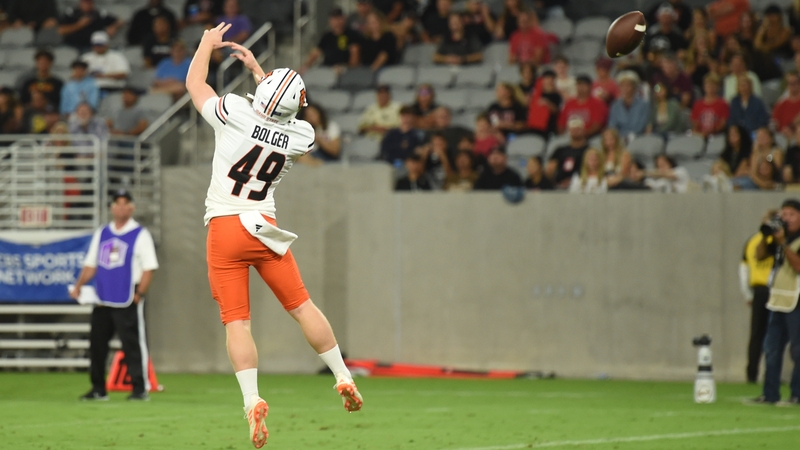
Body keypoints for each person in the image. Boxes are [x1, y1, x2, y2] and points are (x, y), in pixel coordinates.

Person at [186, 28, 363, 448]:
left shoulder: (234, 110)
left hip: (225, 227)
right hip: (264, 228)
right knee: (302, 306)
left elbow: (195, 84)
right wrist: (260, 72)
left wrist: (207, 43)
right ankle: (342, 374)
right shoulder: (302, 136)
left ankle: (252, 399)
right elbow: (279, 114)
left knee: (237, 322)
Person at [70, 189, 159, 401]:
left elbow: (149, 267)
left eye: (125, 203)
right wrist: (79, 285)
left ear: (132, 208)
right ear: (112, 207)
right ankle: (98, 388)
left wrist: (139, 293)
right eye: (117, 203)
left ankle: (139, 388)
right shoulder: (102, 233)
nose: (121, 207)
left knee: (132, 345)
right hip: (102, 298)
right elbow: (91, 264)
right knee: (97, 345)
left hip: (127, 297)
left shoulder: (140, 234)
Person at [751, 199, 800, 405]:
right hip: (777, 300)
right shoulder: (780, 237)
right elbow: (759, 256)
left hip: (796, 301)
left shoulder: (792, 241)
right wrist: (766, 235)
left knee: (798, 350)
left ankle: (797, 394)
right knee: (771, 348)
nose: (786, 219)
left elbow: (798, 266)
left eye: (791, 214)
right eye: (784, 214)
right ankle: (770, 394)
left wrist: (783, 244)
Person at [740, 211, 777, 383]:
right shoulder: (757, 241)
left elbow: (743, 270)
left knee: (767, 333)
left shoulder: (777, 241)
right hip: (763, 290)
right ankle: (753, 373)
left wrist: (747, 294)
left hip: (771, 290)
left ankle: (759, 373)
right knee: (760, 333)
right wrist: (748, 294)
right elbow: (746, 267)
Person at [300, 8, 361, 74]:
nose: (337, 22)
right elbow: (316, 53)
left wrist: (347, 68)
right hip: (327, 70)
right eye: (334, 19)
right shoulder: (327, 36)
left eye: (339, 18)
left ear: (344, 19)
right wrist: (306, 66)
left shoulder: (352, 35)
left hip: (345, 70)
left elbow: (355, 56)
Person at [59, 0, 124, 50]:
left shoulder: (99, 14)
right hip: (72, 45)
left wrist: (114, 26)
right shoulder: (71, 13)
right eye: (85, 3)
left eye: (89, 3)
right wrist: (79, 25)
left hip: (93, 46)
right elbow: (61, 31)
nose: (87, 5)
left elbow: (120, 21)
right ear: (80, 3)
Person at [547, 116, 590, 189]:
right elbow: (550, 170)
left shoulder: (589, 150)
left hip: (583, 186)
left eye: (578, 128)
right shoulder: (560, 150)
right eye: (573, 129)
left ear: (583, 130)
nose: (575, 131)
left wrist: (575, 182)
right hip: (560, 186)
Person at [608, 71, 649, 137]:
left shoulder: (644, 105)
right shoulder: (615, 105)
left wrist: (631, 136)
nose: (625, 88)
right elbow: (612, 125)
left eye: (628, 85)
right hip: (619, 138)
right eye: (622, 85)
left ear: (635, 87)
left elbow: (642, 125)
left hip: (638, 137)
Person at [690, 73, 728, 138]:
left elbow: (723, 123)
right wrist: (701, 133)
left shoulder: (722, 104)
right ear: (704, 86)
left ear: (718, 87)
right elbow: (695, 122)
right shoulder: (698, 104)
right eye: (708, 85)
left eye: (713, 85)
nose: (710, 87)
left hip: (717, 136)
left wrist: (711, 131)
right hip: (700, 135)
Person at [527, 69, 561, 137]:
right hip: (534, 126)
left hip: (548, 128)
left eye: (551, 79)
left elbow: (556, 111)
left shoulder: (556, 95)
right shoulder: (536, 93)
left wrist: (547, 103)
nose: (549, 81)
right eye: (547, 79)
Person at [772, 72, 800, 139]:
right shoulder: (780, 104)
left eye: (795, 83)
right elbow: (774, 124)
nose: (793, 86)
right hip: (782, 137)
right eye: (790, 83)